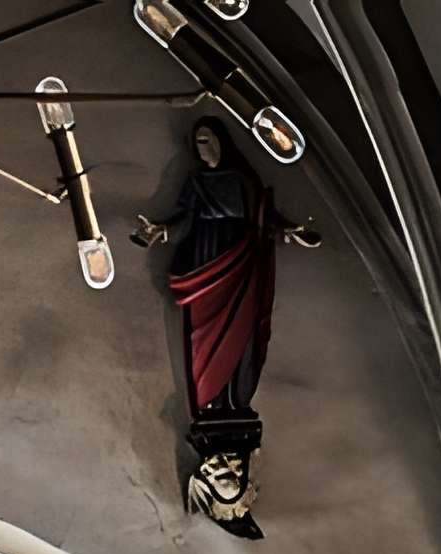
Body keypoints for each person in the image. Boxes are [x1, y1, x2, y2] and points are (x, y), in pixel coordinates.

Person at [132, 119, 315, 421]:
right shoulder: (196, 182)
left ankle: (235, 399)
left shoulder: (241, 180)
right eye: (198, 144)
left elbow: (263, 216)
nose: (202, 150)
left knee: (241, 331)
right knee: (203, 338)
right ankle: (211, 401)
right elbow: (183, 220)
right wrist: (161, 230)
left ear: (221, 142)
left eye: (207, 141)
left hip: (239, 263)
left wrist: (289, 231)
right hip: (205, 264)